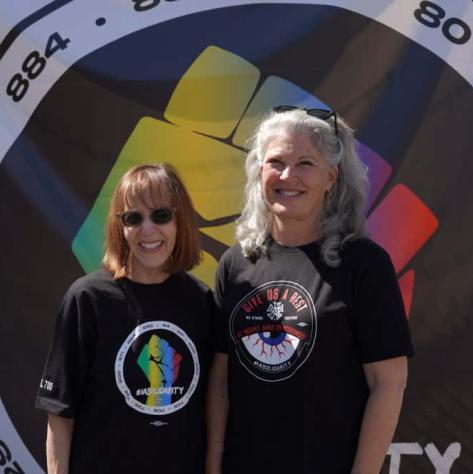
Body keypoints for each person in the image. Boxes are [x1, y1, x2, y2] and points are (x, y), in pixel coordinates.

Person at [206, 107, 414, 474]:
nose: (289, 176)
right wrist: (213, 464)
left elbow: (388, 383)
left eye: (305, 163)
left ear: (331, 177)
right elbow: (220, 384)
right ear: (259, 172)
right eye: (276, 162)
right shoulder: (235, 264)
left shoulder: (364, 264)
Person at [36, 163, 214, 474]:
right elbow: (59, 413)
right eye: (134, 218)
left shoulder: (201, 301)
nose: (148, 229)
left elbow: (214, 406)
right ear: (121, 227)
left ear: (180, 220)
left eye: (160, 215)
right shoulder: (87, 299)